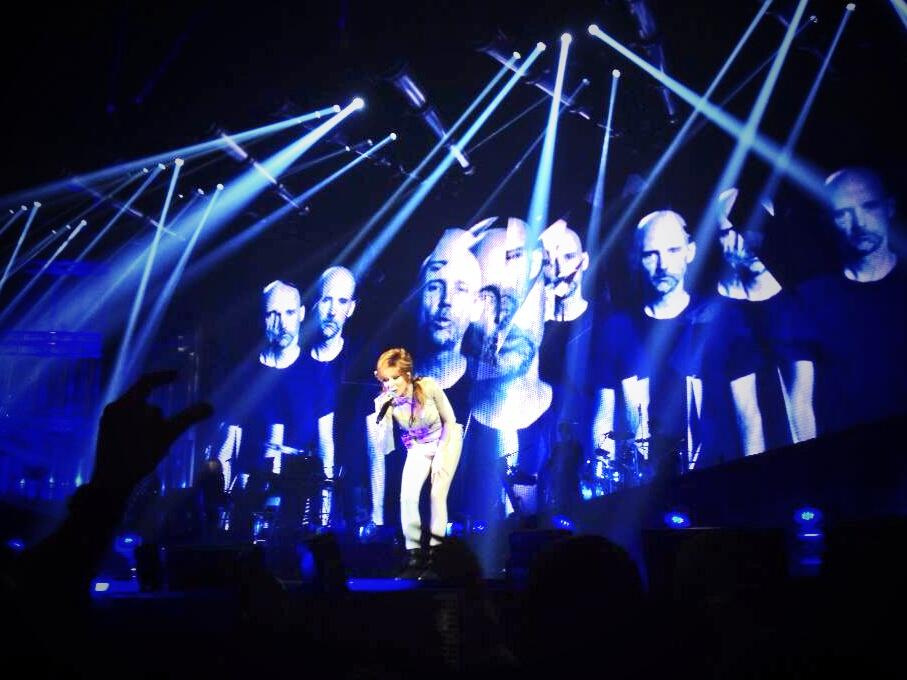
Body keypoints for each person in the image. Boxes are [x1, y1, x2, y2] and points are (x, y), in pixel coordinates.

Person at [591, 210, 765, 481]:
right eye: (651, 254)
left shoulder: (723, 319)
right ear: (637, 258)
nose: (663, 265)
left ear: (689, 252)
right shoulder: (617, 329)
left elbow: (749, 414)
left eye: (672, 250)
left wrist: (758, 480)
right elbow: (603, 417)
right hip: (642, 490)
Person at [781, 166, 907, 438]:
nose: (859, 222)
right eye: (843, 213)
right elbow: (800, 400)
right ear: (828, 221)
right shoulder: (808, 300)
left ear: (890, 207)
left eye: (869, 206)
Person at [217, 280, 332, 532]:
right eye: (273, 314)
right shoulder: (243, 377)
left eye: (289, 313)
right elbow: (227, 446)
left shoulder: (317, 374)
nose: (281, 324)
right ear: (262, 318)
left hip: (296, 501)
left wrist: (324, 507)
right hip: (248, 500)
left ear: (301, 313)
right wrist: (222, 503)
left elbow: (326, 442)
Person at [366, 347, 462, 579]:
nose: (391, 384)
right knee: (407, 498)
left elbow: (450, 420)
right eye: (386, 379)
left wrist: (440, 455)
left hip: (445, 440)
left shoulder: (428, 386)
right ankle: (414, 556)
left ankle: (436, 557)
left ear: (407, 374)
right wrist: (381, 412)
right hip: (417, 448)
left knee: (436, 495)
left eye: (395, 377)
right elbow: (386, 446)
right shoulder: (387, 403)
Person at [305, 265, 360, 525]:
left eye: (341, 301)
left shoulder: (360, 363)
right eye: (326, 300)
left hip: (346, 494)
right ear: (316, 303)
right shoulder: (298, 361)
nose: (332, 310)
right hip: (297, 486)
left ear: (351, 308)